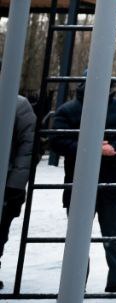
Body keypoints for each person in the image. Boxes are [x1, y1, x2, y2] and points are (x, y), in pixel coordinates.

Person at [49, 84, 116, 293]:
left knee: (113, 233)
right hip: (83, 179)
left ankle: (114, 279)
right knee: (82, 236)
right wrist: (92, 148)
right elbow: (56, 139)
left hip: (105, 178)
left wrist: (114, 147)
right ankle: (81, 280)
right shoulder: (69, 109)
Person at [1, 94, 36, 291]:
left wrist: (15, 184)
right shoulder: (18, 104)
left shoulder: (18, 104)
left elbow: (28, 147)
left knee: (1, 228)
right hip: (8, 178)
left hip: (7, 181)